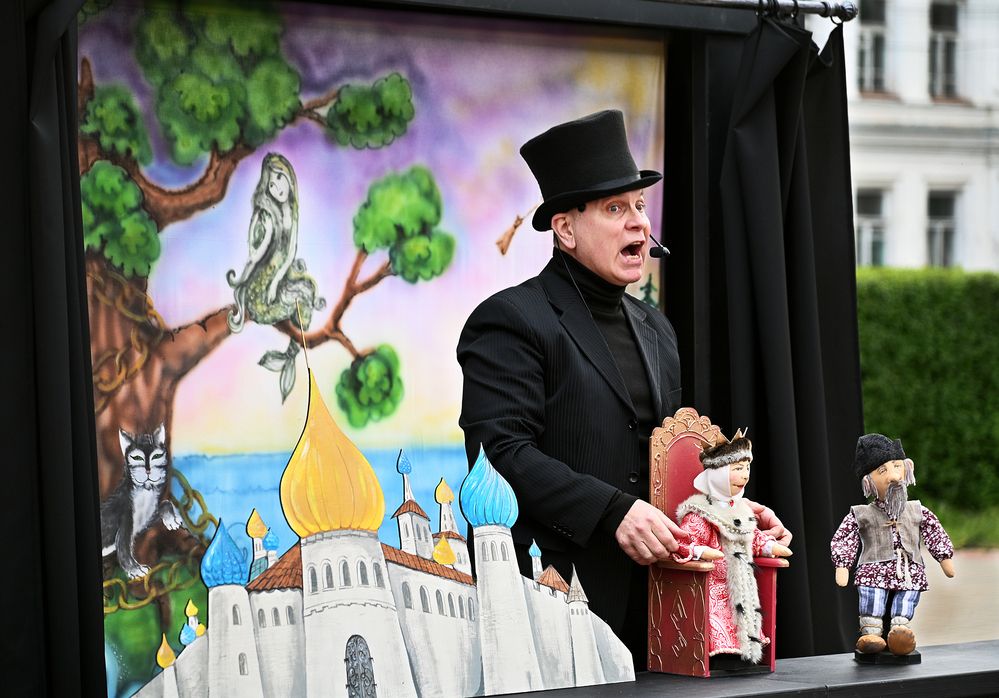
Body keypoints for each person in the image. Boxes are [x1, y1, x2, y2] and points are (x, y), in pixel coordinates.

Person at [457, 109, 788, 667]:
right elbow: (502, 456)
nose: (638, 223)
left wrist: (728, 506)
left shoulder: (657, 329)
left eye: (639, 206)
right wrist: (612, 512)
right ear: (566, 229)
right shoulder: (510, 320)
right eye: (616, 209)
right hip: (553, 605)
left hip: (661, 607)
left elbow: (665, 464)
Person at [830, 434, 955, 656]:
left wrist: (944, 557)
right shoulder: (862, 513)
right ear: (868, 481)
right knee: (872, 594)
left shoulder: (916, 510)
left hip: (908, 570)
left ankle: (900, 634)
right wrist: (843, 564)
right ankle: (871, 634)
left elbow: (933, 530)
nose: (894, 476)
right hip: (874, 569)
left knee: (907, 596)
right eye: (883, 471)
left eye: (897, 466)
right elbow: (846, 535)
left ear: (907, 468)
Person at [675, 429, 792, 666]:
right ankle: (721, 655)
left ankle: (743, 653)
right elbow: (684, 541)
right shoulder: (700, 512)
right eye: (738, 469)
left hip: (742, 580)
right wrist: (700, 551)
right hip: (712, 584)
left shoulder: (740, 509)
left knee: (746, 610)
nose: (745, 476)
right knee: (718, 612)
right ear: (718, 473)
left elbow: (752, 536)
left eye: (747, 468)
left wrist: (768, 546)